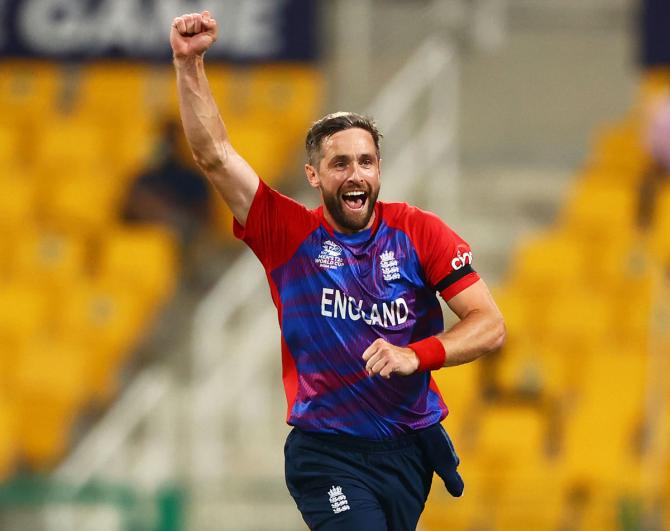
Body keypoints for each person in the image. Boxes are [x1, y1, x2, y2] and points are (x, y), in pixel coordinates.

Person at [171, 10, 505, 531]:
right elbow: (213, 155)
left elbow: (489, 324)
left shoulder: (419, 232)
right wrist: (188, 64)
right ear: (313, 175)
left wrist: (415, 356)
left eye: (366, 162)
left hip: (406, 453)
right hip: (326, 453)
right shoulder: (287, 234)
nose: (356, 174)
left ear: (379, 170)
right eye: (340, 163)